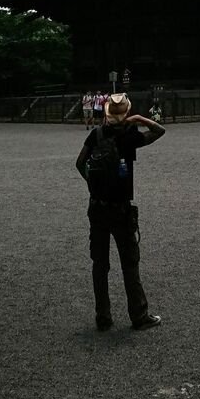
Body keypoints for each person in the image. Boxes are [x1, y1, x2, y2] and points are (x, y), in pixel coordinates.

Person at [75, 92, 165, 332]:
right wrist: (141, 119)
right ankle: (139, 314)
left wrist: (93, 188)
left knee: (100, 264)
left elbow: (79, 163)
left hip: (97, 208)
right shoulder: (129, 137)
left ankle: (102, 316)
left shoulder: (96, 134)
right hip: (121, 208)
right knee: (129, 262)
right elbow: (159, 132)